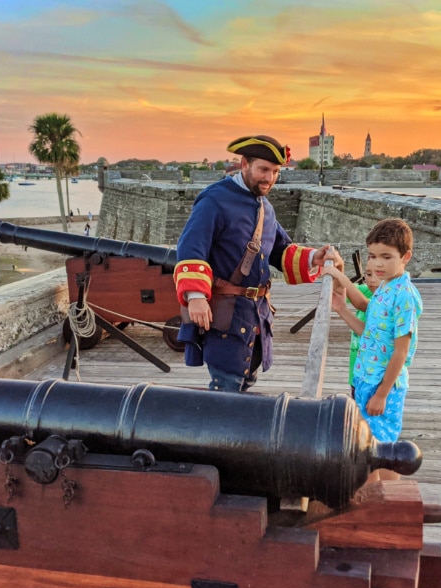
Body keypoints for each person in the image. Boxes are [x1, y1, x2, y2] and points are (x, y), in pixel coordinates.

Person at [174, 134, 342, 392]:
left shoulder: (265, 206)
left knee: (246, 384)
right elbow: (191, 248)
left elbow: (278, 249)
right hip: (226, 315)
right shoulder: (214, 200)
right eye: (263, 169)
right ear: (244, 164)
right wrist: (196, 297)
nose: (269, 178)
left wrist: (313, 257)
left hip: (256, 316)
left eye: (275, 172)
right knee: (226, 388)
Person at [327, 219, 422, 442]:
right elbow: (369, 332)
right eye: (372, 256)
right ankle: (371, 479)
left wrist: (381, 394)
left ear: (405, 257)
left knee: (382, 445)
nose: (378, 264)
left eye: (386, 257)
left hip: (384, 384)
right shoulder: (385, 286)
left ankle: (384, 479)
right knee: (365, 442)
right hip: (366, 378)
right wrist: (341, 309)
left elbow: (401, 352)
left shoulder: (404, 296)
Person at [323, 259, 379, 396]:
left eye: (379, 274)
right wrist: (340, 265)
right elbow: (339, 289)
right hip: (358, 372)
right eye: (369, 274)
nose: (372, 280)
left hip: (374, 375)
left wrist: (338, 273)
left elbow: (362, 303)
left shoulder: (385, 300)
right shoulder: (368, 291)